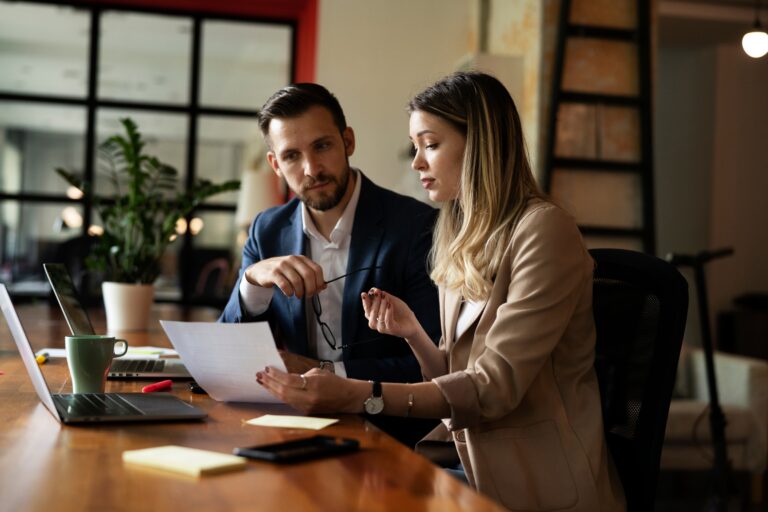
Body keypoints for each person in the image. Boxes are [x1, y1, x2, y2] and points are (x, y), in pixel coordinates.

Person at [256, 72, 626, 512]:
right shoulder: (459, 234)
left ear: (480, 145)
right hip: (470, 469)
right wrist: (414, 333)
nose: (416, 163)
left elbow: (494, 387)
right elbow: (451, 374)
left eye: (429, 145)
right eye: (415, 147)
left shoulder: (545, 230)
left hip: (539, 486)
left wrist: (357, 393)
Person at [219, 83, 440, 447]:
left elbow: (433, 365)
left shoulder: (417, 227)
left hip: (389, 434)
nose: (312, 169)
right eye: (292, 156)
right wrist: (251, 282)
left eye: (322, 146)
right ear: (275, 165)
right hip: (289, 428)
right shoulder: (266, 230)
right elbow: (229, 357)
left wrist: (322, 372)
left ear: (347, 141)